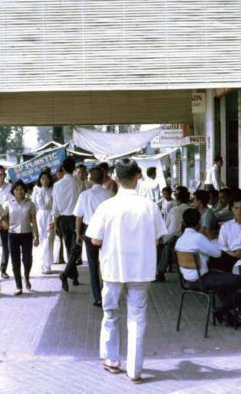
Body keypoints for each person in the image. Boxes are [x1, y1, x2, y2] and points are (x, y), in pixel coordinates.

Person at [86, 158, 167, 383]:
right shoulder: (149, 206)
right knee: (137, 318)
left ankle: (111, 359)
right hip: (141, 270)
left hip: (113, 268)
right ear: (138, 176)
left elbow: (94, 239)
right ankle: (135, 369)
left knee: (111, 313)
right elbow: (160, 238)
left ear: (115, 178)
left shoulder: (107, 206)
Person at [175, 208, 241, 325]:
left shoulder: (180, 240)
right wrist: (210, 239)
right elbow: (217, 253)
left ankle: (227, 315)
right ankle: (221, 310)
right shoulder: (198, 238)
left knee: (223, 281)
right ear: (199, 222)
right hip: (202, 280)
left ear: (183, 223)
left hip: (187, 281)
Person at [73, 166, 113, 307]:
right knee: (107, 262)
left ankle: (97, 298)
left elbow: (78, 216)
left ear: (90, 179)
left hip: (89, 230)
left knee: (92, 264)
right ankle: (109, 294)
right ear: (103, 178)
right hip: (106, 230)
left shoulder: (84, 195)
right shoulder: (109, 194)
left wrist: (78, 233)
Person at [208, 193, 241, 273]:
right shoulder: (226, 226)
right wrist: (233, 254)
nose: (239, 212)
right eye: (236, 208)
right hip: (229, 256)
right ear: (232, 209)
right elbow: (221, 246)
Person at [3, 180, 39, 295]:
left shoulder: (30, 203)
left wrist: (36, 236)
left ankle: (26, 276)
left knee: (27, 259)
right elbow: (3, 218)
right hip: (12, 234)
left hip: (27, 233)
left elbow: (34, 220)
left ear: (25, 190)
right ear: (13, 191)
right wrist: (5, 226)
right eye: (17, 189)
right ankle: (18, 285)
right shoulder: (8, 204)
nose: (19, 192)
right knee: (15, 260)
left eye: (22, 189)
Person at [54, 157, 84, 292]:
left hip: (62, 219)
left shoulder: (57, 185)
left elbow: (55, 206)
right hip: (75, 218)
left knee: (69, 247)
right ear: (73, 169)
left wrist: (55, 222)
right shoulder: (78, 183)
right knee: (76, 247)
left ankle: (74, 276)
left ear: (64, 169)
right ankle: (65, 274)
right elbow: (81, 203)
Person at [156, 187, 191, 281]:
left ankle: (158, 271)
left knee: (162, 245)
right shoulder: (191, 210)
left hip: (174, 237)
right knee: (165, 244)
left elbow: (166, 225)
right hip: (183, 237)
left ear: (177, 199)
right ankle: (159, 271)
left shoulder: (175, 210)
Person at [32, 170, 55, 274]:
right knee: (41, 239)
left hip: (50, 215)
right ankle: (42, 263)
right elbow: (33, 205)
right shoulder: (36, 189)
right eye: (42, 178)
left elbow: (55, 205)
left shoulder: (53, 189)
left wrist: (55, 219)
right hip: (40, 216)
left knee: (49, 239)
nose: (44, 181)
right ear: (39, 180)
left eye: (46, 178)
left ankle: (48, 264)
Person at [0, 165, 12, 279]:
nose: (2, 176)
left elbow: (10, 204)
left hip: (5, 219)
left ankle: (3, 269)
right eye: (0, 174)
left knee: (6, 246)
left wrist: (4, 219)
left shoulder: (9, 187)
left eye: (4, 174)